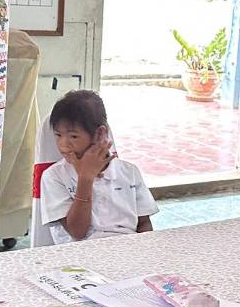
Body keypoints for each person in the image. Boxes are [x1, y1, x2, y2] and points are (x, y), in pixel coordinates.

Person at [39, 90, 157, 244]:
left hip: (128, 247)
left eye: (73, 136)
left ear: (100, 133)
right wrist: (85, 178)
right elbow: (77, 232)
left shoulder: (129, 172)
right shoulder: (54, 176)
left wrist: (145, 249)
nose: (63, 145)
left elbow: (144, 223)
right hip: (80, 252)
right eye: (58, 135)